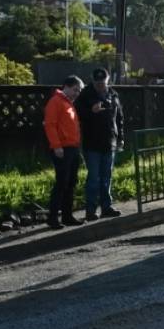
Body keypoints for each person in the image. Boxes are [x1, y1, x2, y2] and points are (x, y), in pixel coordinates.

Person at [75, 68, 124, 221]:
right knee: (93, 178)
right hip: (92, 143)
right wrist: (91, 111)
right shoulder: (84, 95)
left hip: (110, 142)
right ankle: (90, 210)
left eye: (103, 82)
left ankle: (106, 207)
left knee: (106, 177)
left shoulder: (113, 94)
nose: (100, 85)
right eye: (97, 83)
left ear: (108, 80)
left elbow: (119, 118)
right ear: (92, 80)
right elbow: (77, 115)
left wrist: (121, 137)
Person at [43, 75, 85, 230]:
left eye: (79, 91)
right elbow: (50, 125)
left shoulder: (68, 104)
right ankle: (53, 217)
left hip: (72, 148)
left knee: (71, 182)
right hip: (62, 148)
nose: (77, 93)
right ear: (66, 86)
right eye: (75, 89)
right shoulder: (56, 102)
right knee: (61, 183)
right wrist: (56, 146)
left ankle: (67, 216)